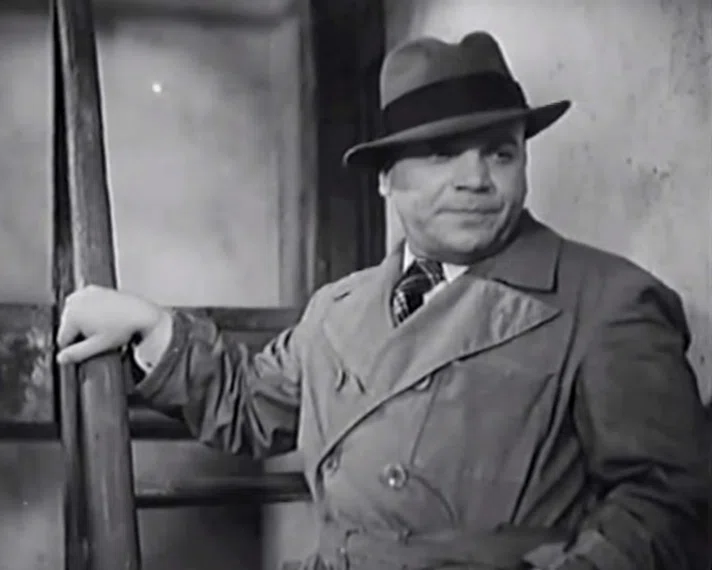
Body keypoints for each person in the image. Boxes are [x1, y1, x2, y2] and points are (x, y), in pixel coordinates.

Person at [56, 32, 711, 570]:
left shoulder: (609, 302)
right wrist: (152, 326)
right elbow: (252, 405)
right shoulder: (337, 309)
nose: (476, 179)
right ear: (385, 180)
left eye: (500, 153)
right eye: (442, 153)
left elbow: (669, 503)